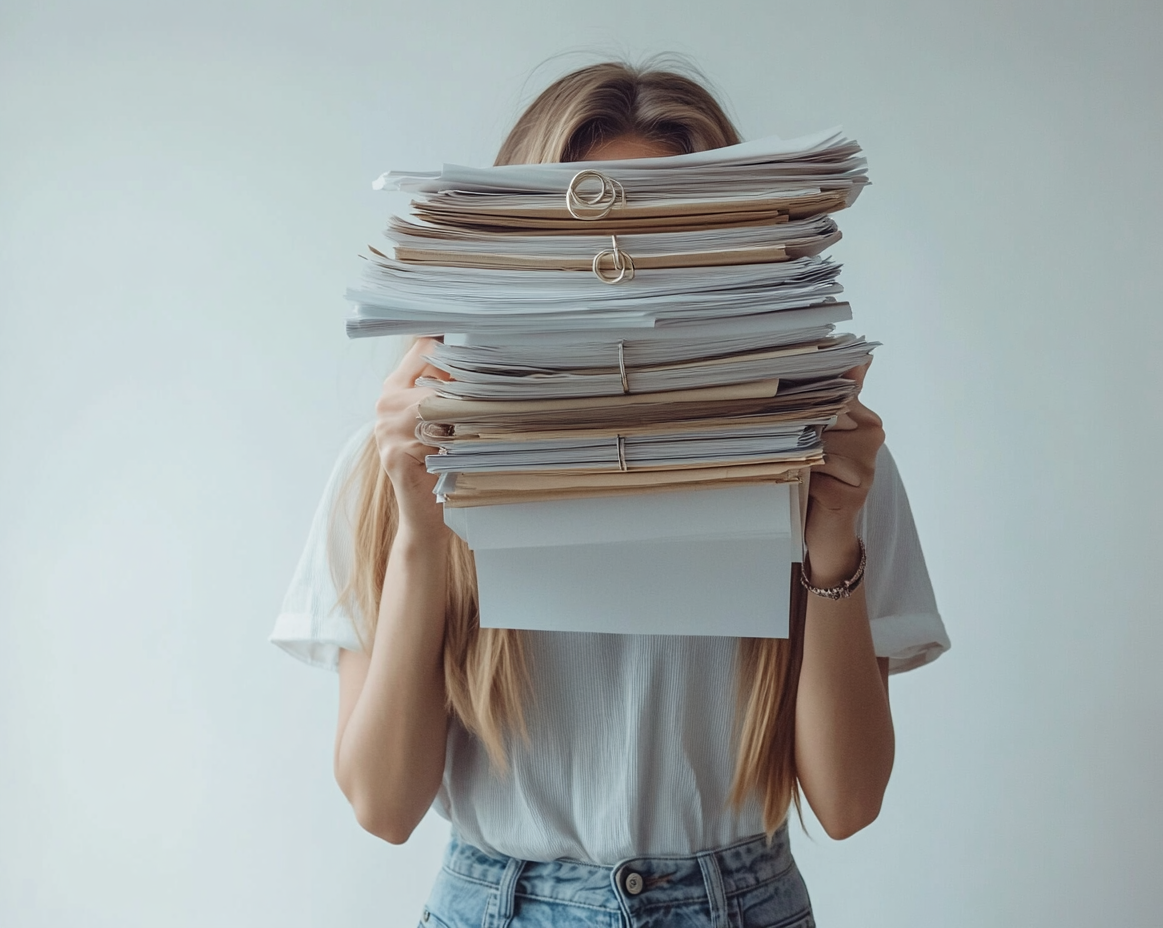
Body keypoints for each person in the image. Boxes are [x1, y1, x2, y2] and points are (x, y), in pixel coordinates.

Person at [271, 60, 950, 928]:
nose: (621, 287)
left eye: (666, 248)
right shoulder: (384, 468)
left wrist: (834, 539)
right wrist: (420, 528)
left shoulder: (830, 464)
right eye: (581, 252)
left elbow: (849, 803)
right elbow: (382, 804)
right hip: (497, 904)